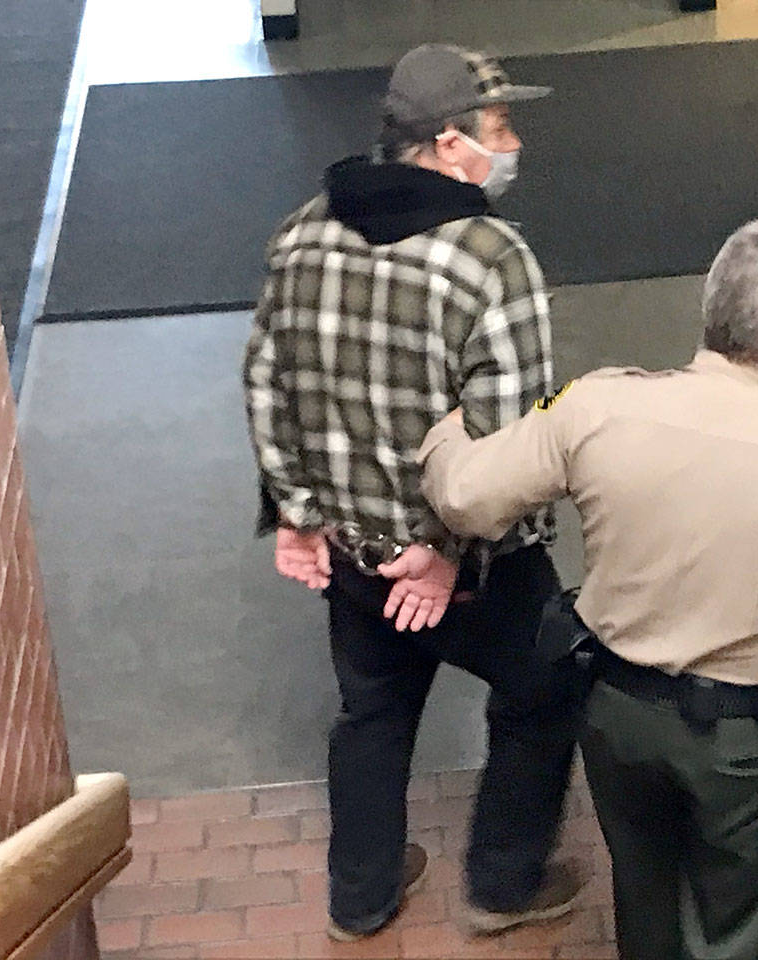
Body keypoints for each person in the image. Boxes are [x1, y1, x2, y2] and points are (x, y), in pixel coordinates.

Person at [416, 217, 758, 960]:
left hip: (616, 717)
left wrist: (446, 432)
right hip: (747, 745)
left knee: (643, 887)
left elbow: (465, 497)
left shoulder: (597, 406)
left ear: (710, 304)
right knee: (734, 924)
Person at [242, 43, 584, 942]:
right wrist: (443, 551)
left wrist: (297, 514)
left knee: (373, 709)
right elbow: (508, 442)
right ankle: (503, 883)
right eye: (501, 128)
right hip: (467, 569)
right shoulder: (490, 261)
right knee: (546, 687)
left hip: (353, 559)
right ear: (446, 143)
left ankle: (361, 896)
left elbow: (267, 383)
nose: (513, 145)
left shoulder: (301, 231)